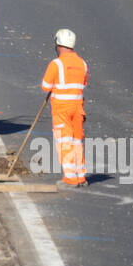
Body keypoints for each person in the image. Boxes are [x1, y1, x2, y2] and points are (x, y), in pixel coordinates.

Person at [41, 28, 89, 187]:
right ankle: (81, 176)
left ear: (59, 45)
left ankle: (70, 178)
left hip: (62, 109)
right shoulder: (83, 63)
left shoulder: (56, 64)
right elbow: (82, 84)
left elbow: (45, 86)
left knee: (64, 142)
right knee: (76, 142)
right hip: (78, 108)